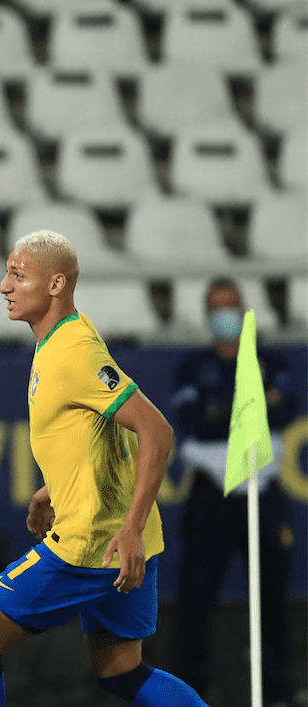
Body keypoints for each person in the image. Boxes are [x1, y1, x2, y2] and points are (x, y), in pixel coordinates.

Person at [0, 230, 208, 706]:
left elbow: (156, 432)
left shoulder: (74, 353)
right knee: (121, 674)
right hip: (126, 540)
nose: (4, 286)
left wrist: (127, 529)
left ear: (55, 284)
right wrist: (55, 488)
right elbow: (98, 431)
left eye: (17, 274)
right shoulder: (68, 333)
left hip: (91, 544)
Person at [170, 278, 299, 706]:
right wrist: (245, 415)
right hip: (212, 497)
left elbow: (283, 412)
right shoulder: (193, 367)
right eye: (215, 308)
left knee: (271, 599)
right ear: (207, 315)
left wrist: (224, 415)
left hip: (263, 494)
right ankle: (189, 691)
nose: (224, 315)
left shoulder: (270, 361)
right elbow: (193, 424)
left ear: (243, 309)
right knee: (195, 600)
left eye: (230, 306)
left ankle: (276, 690)